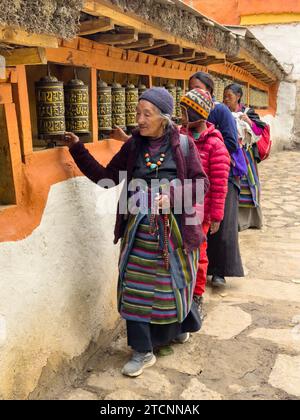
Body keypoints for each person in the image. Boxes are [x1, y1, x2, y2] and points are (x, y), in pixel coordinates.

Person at [63, 87, 209, 377]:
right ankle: (142, 352)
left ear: (164, 118)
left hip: (175, 231)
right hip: (139, 231)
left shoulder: (183, 145)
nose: (139, 120)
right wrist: (77, 148)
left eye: (147, 114)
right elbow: (107, 179)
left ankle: (180, 326)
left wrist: (173, 195)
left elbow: (201, 184)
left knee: (173, 285)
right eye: (138, 113)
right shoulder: (133, 147)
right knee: (136, 288)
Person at [189, 72, 244, 288]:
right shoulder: (188, 111)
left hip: (221, 173)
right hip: (198, 177)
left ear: (210, 91)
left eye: (199, 87)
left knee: (220, 225)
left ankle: (219, 271)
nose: (194, 92)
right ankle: (204, 270)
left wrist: (210, 150)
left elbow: (231, 142)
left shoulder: (219, 111)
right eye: (191, 87)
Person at [180, 88, 230, 319]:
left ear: (196, 113)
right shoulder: (179, 137)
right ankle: (180, 295)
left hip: (200, 214)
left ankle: (197, 296)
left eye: (184, 112)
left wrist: (216, 215)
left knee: (199, 255)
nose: (180, 117)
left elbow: (219, 185)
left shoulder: (215, 146)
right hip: (178, 208)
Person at [223, 83, 267, 231]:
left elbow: (259, 131)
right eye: (225, 96)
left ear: (238, 97)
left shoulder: (248, 112)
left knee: (248, 185)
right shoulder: (222, 112)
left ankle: (249, 220)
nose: (226, 99)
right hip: (229, 154)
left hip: (245, 155)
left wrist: (247, 120)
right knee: (233, 187)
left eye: (229, 96)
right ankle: (233, 220)